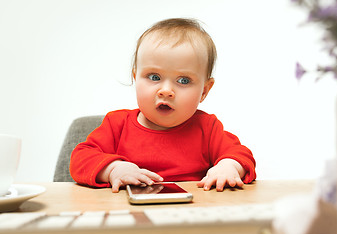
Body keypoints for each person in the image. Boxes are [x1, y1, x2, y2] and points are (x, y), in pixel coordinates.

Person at [70, 18, 256, 193]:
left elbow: (241, 155)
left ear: (204, 91)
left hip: (190, 215)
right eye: (154, 77)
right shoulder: (116, 124)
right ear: (136, 79)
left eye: (183, 80)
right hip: (129, 215)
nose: (166, 91)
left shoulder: (207, 128)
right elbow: (80, 159)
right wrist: (113, 169)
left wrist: (228, 166)